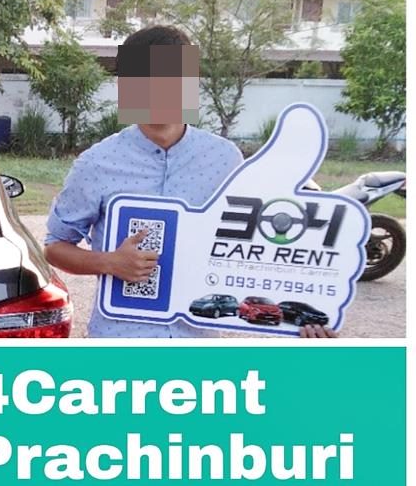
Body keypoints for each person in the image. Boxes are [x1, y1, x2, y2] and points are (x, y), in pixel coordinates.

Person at [44, 25, 336, 338]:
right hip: (120, 341)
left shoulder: (225, 159)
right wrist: (110, 262)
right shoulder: (95, 164)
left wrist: (303, 314)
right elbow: (55, 246)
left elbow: (256, 248)